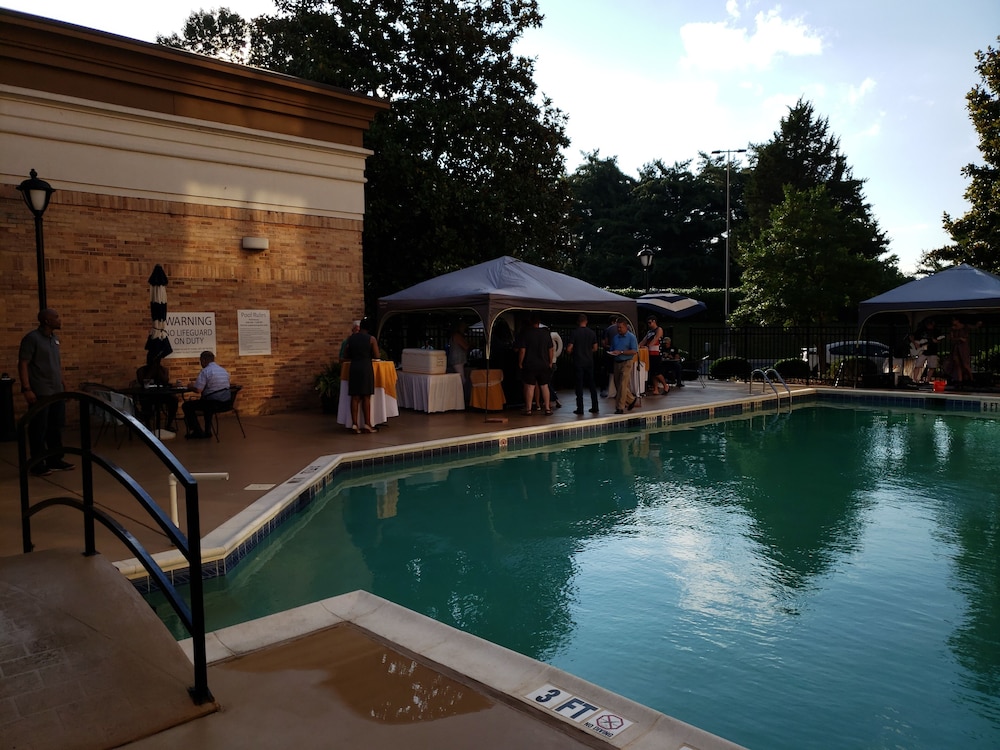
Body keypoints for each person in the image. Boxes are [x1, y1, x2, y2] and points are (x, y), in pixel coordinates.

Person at [18, 309, 74, 476]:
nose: (59, 320)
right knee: (38, 428)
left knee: (55, 427)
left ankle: (55, 459)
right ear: (47, 321)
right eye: (56, 317)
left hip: (56, 390)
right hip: (41, 391)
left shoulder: (55, 339)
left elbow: (56, 364)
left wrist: (65, 384)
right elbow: (23, 364)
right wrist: (26, 388)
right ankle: (37, 463)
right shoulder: (31, 339)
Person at [182, 350, 232, 439]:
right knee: (206, 401)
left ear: (204, 360)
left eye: (201, 361)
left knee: (187, 406)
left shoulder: (205, 371)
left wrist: (190, 386)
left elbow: (198, 390)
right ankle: (207, 431)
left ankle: (197, 431)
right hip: (227, 403)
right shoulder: (223, 370)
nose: (201, 363)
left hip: (212, 404)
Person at [345, 318, 380, 433]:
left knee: (354, 396)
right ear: (369, 328)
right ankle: (367, 424)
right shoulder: (371, 339)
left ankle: (354, 424)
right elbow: (377, 355)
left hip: (354, 367)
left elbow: (346, 354)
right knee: (366, 396)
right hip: (366, 368)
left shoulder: (350, 339)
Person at [517, 314, 554, 415]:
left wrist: (520, 363)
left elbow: (522, 351)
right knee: (544, 386)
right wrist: (550, 362)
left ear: (530, 322)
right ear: (539, 322)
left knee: (530, 387)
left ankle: (528, 409)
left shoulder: (526, 333)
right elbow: (550, 349)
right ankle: (547, 408)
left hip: (530, 364)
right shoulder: (546, 333)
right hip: (544, 364)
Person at [564, 314, 600, 414]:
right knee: (592, 385)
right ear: (586, 321)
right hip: (589, 362)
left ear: (577, 322)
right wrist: (588, 351)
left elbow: (569, 348)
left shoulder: (574, 333)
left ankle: (580, 408)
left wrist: (570, 352)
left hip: (578, 362)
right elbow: (596, 348)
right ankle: (595, 406)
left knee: (579, 386)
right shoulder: (591, 333)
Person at [135, 353, 177, 431]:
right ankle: (148, 426)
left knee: (174, 400)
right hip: (147, 395)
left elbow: (165, 381)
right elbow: (143, 383)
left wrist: (158, 370)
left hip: (161, 395)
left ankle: (169, 425)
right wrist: (151, 371)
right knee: (145, 403)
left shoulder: (163, 369)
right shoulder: (141, 370)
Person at [608, 318, 639, 414]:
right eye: (617, 327)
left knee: (622, 384)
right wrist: (612, 352)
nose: (619, 329)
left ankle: (620, 407)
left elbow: (634, 351)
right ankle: (631, 400)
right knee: (619, 385)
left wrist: (621, 352)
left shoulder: (631, 337)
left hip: (627, 362)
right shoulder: (615, 337)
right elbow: (612, 348)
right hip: (617, 362)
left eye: (620, 327)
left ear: (625, 327)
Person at [945, 316, 980, 387]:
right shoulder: (952, 329)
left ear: (957, 320)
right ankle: (959, 380)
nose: (953, 322)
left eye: (954, 320)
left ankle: (971, 378)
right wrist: (959, 338)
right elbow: (951, 338)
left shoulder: (965, 327)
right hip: (956, 347)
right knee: (957, 364)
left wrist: (977, 325)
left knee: (965, 364)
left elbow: (972, 328)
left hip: (963, 347)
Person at [639, 316, 669, 396]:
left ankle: (665, 385)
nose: (648, 324)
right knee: (652, 372)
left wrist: (648, 346)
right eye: (648, 323)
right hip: (649, 353)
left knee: (657, 372)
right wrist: (638, 346)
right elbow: (644, 340)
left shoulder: (659, 329)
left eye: (650, 322)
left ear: (654, 321)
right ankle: (655, 388)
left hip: (656, 353)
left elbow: (656, 338)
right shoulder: (649, 332)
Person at [447, 322, 470, 404]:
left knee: (458, 378)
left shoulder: (453, 336)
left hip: (454, 359)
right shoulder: (457, 336)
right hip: (458, 360)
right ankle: (461, 399)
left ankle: (457, 398)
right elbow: (465, 346)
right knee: (462, 379)